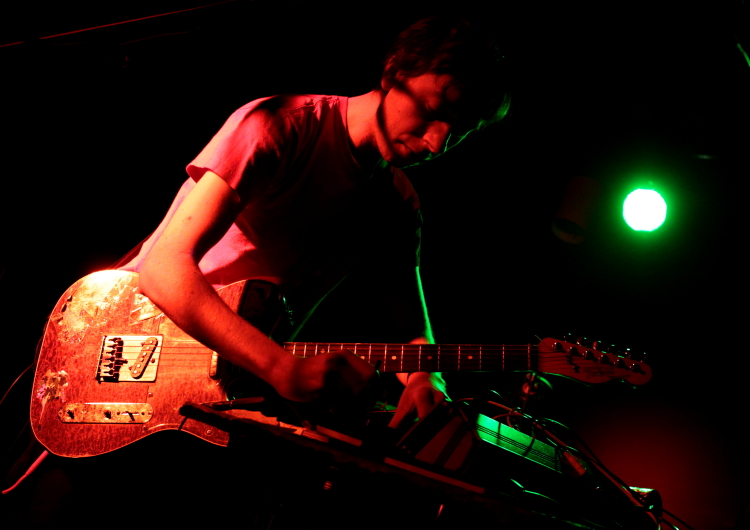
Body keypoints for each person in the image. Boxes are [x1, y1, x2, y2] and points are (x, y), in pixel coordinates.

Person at [118, 16, 510, 428]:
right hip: (127, 339)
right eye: (433, 110)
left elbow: (409, 327)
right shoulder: (281, 125)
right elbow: (164, 268)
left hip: (216, 388)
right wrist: (282, 368)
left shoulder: (397, 203)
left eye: (460, 131)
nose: (438, 143)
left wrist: (425, 376)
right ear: (394, 72)